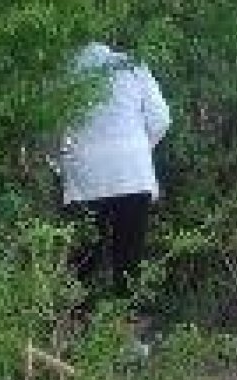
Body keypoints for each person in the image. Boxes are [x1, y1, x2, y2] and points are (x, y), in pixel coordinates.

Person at [59, 41, 171, 302]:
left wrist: (58, 163)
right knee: (129, 260)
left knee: (83, 260)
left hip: (85, 177)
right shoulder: (132, 64)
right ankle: (126, 332)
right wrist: (139, 150)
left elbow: (51, 127)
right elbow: (160, 118)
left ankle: (75, 328)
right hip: (134, 174)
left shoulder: (65, 71)